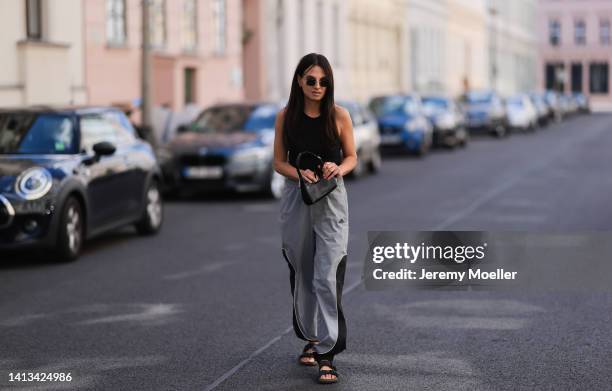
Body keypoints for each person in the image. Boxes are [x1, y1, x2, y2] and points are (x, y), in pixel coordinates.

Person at [273, 53, 357, 384]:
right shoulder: (285, 117)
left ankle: (327, 353)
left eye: (324, 81)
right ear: (299, 81)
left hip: (332, 198)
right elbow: (278, 162)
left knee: (328, 273)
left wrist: (339, 167)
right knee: (301, 268)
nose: (318, 86)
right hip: (297, 195)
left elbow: (352, 157)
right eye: (311, 80)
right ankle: (309, 338)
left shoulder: (339, 116)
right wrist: (298, 172)